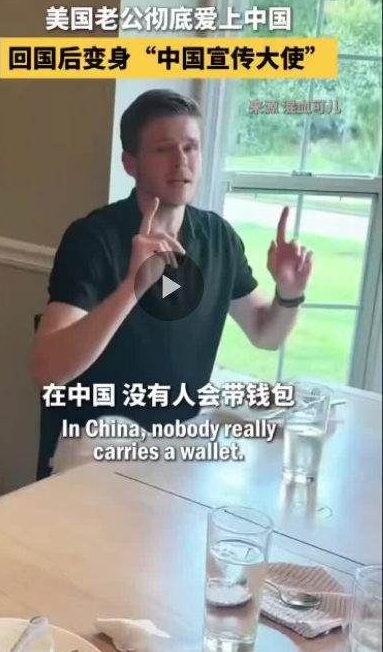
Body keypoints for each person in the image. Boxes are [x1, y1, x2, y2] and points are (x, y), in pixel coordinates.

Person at [32, 89, 313, 472]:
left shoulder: (219, 237)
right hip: (96, 438)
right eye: (164, 149)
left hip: (182, 433)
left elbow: (266, 333)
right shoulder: (93, 239)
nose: (181, 161)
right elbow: (47, 369)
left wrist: (289, 294)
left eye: (191, 147)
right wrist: (133, 286)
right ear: (131, 164)